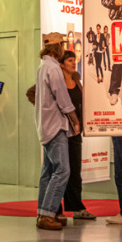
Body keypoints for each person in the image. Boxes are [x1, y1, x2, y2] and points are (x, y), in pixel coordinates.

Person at [26, 50, 97, 222]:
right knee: (59, 170)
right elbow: (33, 93)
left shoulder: (77, 81)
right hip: (59, 128)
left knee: (72, 169)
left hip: (75, 129)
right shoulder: (54, 76)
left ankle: (75, 207)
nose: (74, 63)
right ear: (62, 63)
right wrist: (49, 112)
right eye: (70, 60)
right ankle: (52, 211)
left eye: (75, 60)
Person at [34, 33, 81, 230]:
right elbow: (62, 98)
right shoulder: (53, 68)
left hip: (45, 126)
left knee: (48, 172)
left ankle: (44, 211)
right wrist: (75, 120)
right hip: (55, 126)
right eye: (62, 45)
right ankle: (47, 214)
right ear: (57, 47)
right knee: (63, 170)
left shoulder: (43, 66)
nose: (64, 47)